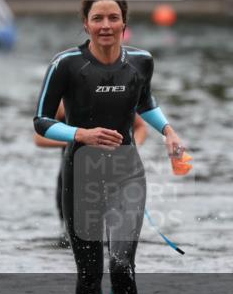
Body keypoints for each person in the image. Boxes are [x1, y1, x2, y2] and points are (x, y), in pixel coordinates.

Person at [33, 0, 185, 294]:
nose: (106, 25)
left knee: (121, 266)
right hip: (80, 176)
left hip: (127, 175)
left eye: (113, 18)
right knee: (90, 271)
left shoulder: (141, 61)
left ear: (123, 22)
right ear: (85, 24)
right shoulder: (66, 64)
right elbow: (40, 122)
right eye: (97, 18)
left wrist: (167, 130)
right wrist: (82, 134)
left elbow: (144, 101)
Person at [34, 101, 148, 245]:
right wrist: (77, 140)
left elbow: (141, 127)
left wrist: (130, 149)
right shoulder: (62, 104)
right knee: (72, 237)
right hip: (73, 176)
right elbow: (39, 138)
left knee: (114, 234)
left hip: (112, 173)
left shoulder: (114, 96)